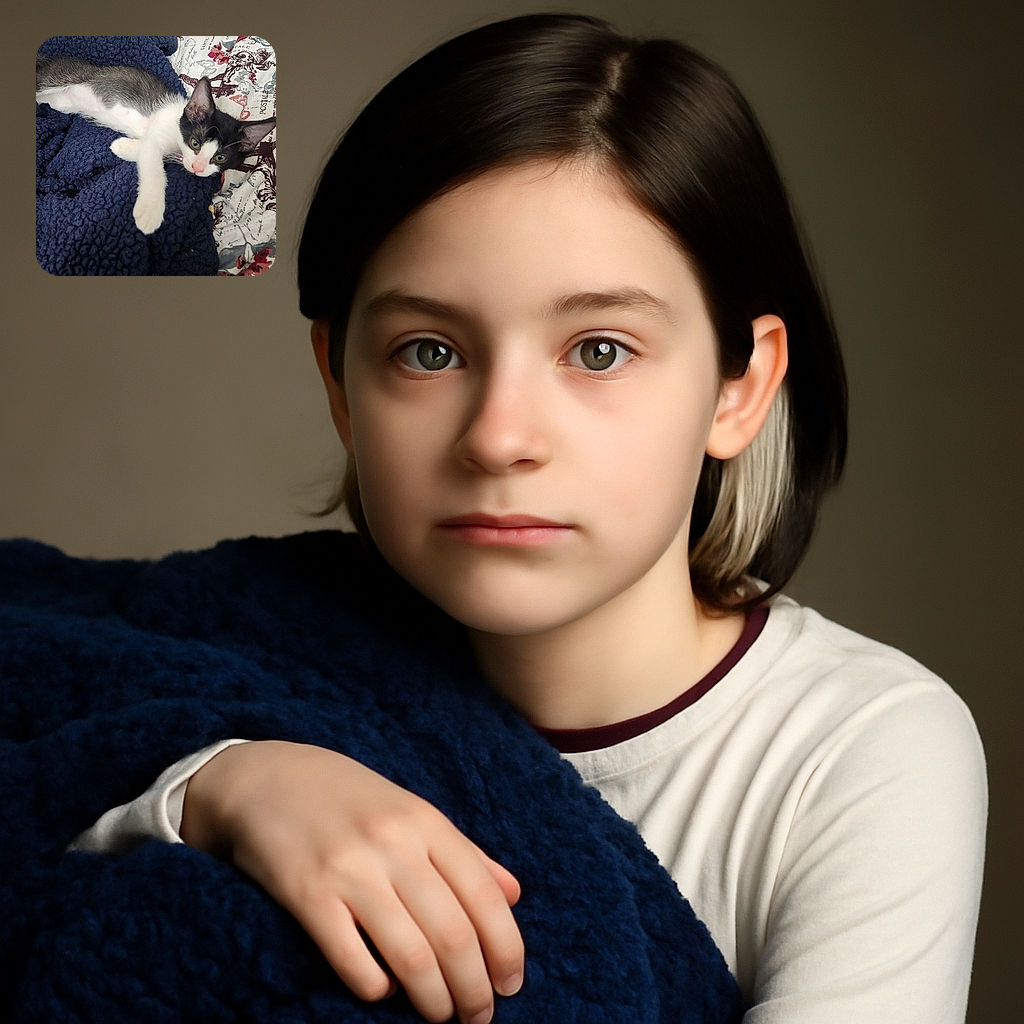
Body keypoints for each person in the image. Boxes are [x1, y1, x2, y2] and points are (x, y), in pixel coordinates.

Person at [73, 13, 986, 1024]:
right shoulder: (263, 650)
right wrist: (227, 788)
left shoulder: (855, 750)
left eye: (598, 350)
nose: (499, 437)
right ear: (339, 382)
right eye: (428, 351)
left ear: (740, 387)